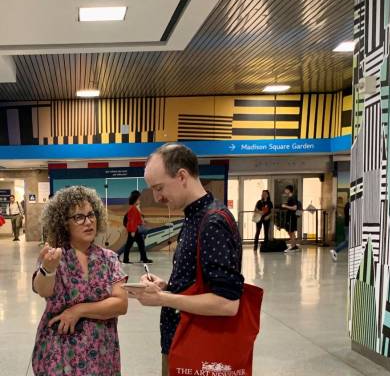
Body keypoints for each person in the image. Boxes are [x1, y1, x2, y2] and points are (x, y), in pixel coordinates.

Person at [128, 143, 244, 376]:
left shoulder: (212, 222)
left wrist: (163, 299)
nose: (158, 197)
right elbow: (201, 283)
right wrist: (169, 287)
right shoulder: (195, 217)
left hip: (198, 348)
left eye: (159, 188)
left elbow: (227, 303)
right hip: (182, 341)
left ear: (182, 176)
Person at [31, 186, 128, 376]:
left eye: (91, 215)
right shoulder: (55, 256)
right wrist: (48, 269)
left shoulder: (109, 258)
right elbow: (42, 290)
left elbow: (120, 304)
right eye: (78, 217)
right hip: (60, 355)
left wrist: (78, 310)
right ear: (63, 223)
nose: (88, 222)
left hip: (102, 354)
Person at [122, 190, 152, 264]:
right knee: (128, 245)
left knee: (141, 244)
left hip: (136, 231)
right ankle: (125, 260)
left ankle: (144, 258)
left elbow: (137, 219)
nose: (140, 200)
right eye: (138, 199)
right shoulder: (133, 209)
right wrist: (132, 231)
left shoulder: (135, 208)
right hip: (134, 231)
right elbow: (132, 221)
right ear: (135, 200)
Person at [281, 185, 301, 253]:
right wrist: (286, 204)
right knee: (290, 231)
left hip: (291, 217)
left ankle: (293, 247)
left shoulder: (292, 197)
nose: (285, 191)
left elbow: (295, 208)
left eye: (286, 189)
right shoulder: (290, 198)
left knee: (291, 231)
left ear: (289, 190)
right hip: (290, 217)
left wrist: (285, 206)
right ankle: (294, 245)